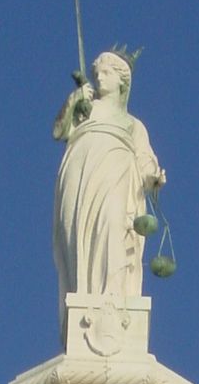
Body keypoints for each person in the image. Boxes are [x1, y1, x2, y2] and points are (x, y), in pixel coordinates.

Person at [52, 50, 166, 343]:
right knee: (79, 234)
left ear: (122, 81)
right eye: (97, 73)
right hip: (80, 174)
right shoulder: (84, 110)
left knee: (113, 224)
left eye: (107, 73)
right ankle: (85, 295)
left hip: (116, 175)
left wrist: (153, 175)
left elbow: (144, 158)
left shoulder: (132, 123)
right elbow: (58, 131)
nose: (100, 77)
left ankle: (112, 299)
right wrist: (74, 100)